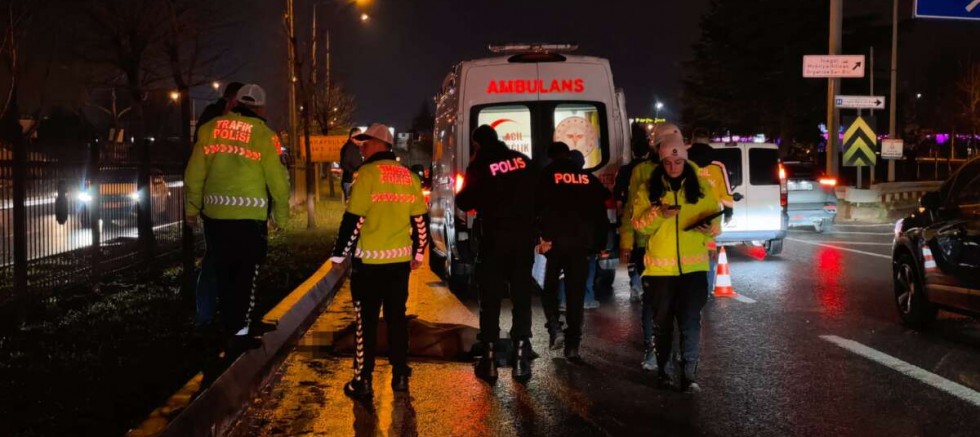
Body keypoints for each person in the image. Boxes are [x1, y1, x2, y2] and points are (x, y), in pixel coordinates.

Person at [185, 83, 290, 351]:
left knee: (222, 272)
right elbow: (278, 180)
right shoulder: (266, 136)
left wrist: (192, 209)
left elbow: (194, 174)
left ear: (237, 103)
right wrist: (281, 215)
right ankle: (239, 334)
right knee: (245, 276)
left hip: (215, 217)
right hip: (248, 219)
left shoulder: (209, 130)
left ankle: (223, 325)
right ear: (260, 107)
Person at [329, 123, 429, 400]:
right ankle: (399, 375)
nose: (361, 148)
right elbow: (420, 220)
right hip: (398, 264)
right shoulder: (409, 177)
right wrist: (419, 252)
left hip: (369, 266)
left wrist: (339, 254)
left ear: (379, 144)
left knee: (366, 321)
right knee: (397, 318)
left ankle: (363, 379)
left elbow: (354, 221)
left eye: (365, 143)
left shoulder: (367, 176)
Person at [631, 136, 721, 393]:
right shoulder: (648, 189)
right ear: (661, 162)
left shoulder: (702, 187)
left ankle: (689, 373)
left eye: (678, 161)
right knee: (663, 324)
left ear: (685, 160)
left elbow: (716, 226)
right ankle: (665, 371)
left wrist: (709, 229)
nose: (673, 166)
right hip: (660, 271)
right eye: (668, 162)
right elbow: (639, 225)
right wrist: (658, 214)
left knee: (691, 321)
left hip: (693, 270)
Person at [456, 124, 537, 382]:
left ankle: (489, 359)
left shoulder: (480, 166)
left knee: (490, 297)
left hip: (493, 239)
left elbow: (464, 201)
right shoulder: (523, 161)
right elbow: (540, 195)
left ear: (477, 144)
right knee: (521, 294)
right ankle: (521, 355)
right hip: (523, 238)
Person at [536, 145, 609, 361]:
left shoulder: (547, 175)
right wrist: (599, 243)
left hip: (553, 243)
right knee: (575, 294)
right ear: (569, 155)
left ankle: (555, 327)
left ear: (550, 157)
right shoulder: (586, 177)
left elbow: (535, 206)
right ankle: (573, 345)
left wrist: (539, 236)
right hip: (581, 244)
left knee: (548, 287)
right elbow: (601, 206)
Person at [620, 122, 683, 371]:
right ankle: (653, 348)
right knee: (652, 302)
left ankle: (672, 348)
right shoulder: (641, 172)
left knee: (678, 302)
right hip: (648, 246)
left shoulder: (688, 170)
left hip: (680, 247)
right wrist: (627, 242)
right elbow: (630, 212)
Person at [191, 81, 244, 328]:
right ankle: (207, 316)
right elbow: (199, 164)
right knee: (214, 260)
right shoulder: (211, 122)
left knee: (229, 260)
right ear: (232, 100)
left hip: (234, 204)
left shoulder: (238, 123)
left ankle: (225, 314)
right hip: (215, 205)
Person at [687, 128, 735, 294]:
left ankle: (688, 288)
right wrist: (729, 213)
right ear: (708, 141)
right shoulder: (718, 163)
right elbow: (726, 191)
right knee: (709, 250)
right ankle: (705, 289)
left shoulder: (684, 158)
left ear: (692, 140)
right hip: (711, 215)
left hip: (687, 213)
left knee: (687, 250)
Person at [614, 124, 652, 302]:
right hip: (648, 217)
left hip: (630, 214)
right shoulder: (649, 169)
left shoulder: (625, 169)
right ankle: (642, 283)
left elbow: (619, 195)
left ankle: (635, 283)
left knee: (631, 251)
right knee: (643, 252)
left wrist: (621, 213)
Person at [340, 127, 363, 200]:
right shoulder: (349, 148)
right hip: (350, 181)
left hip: (352, 181)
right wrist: (354, 173)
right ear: (352, 136)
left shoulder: (355, 148)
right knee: (352, 206)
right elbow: (344, 164)